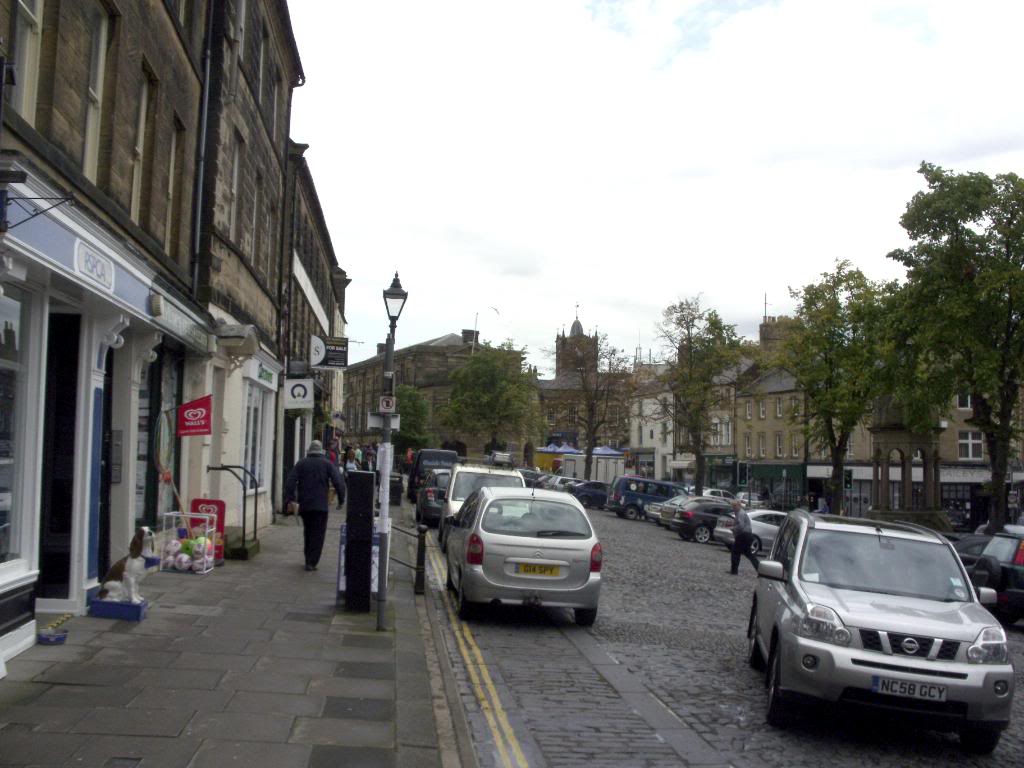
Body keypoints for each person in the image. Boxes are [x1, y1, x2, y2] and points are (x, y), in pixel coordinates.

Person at [285, 440, 345, 571]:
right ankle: (312, 561)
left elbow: (290, 482)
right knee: (318, 534)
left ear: (309, 451)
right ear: (320, 452)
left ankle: (308, 559)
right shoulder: (327, 464)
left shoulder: (301, 463)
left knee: (308, 531)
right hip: (321, 506)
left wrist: (290, 499)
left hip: (305, 505)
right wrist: (341, 499)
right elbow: (338, 482)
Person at [730, 505, 760, 575]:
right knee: (749, 554)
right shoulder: (741, 513)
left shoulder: (741, 513)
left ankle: (734, 571)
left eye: (734, 507)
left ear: (738, 506)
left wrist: (733, 528)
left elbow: (741, 526)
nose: (733, 508)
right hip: (748, 535)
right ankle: (760, 569)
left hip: (743, 535)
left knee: (735, 552)